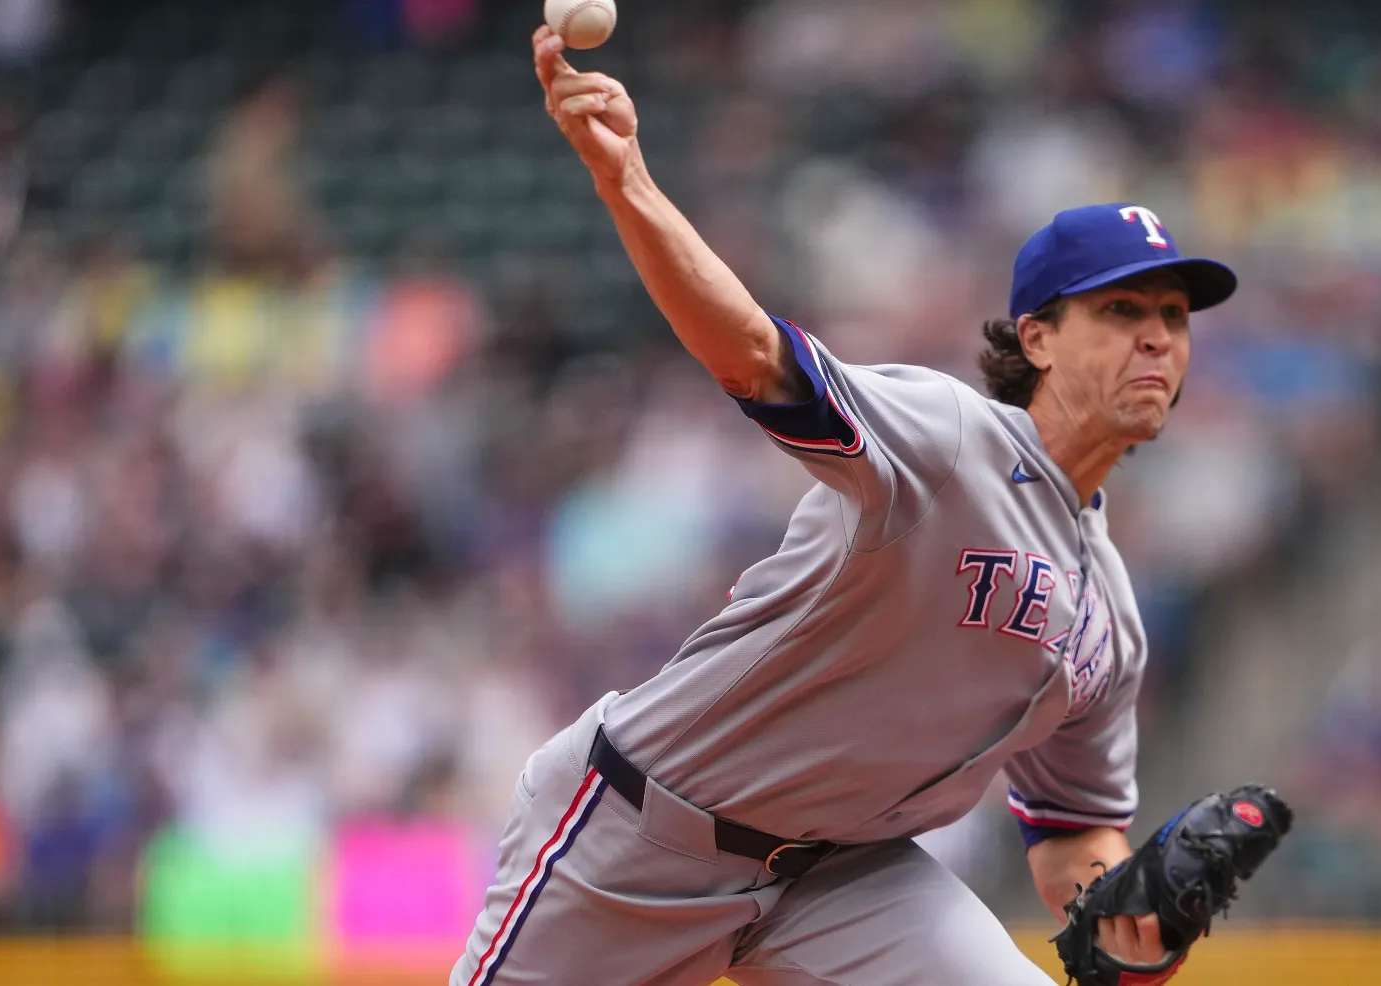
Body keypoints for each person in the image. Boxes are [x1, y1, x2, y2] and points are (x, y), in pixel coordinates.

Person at [447, 27, 1240, 986]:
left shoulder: (1111, 615)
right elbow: (753, 356)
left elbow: (1072, 831)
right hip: (646, 839)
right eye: (1122, 311)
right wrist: (630, 185)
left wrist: (1129, 913)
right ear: (1036, 338)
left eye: (1172, 317)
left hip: (848, 881)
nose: (1157, 339)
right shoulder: (950, 440)